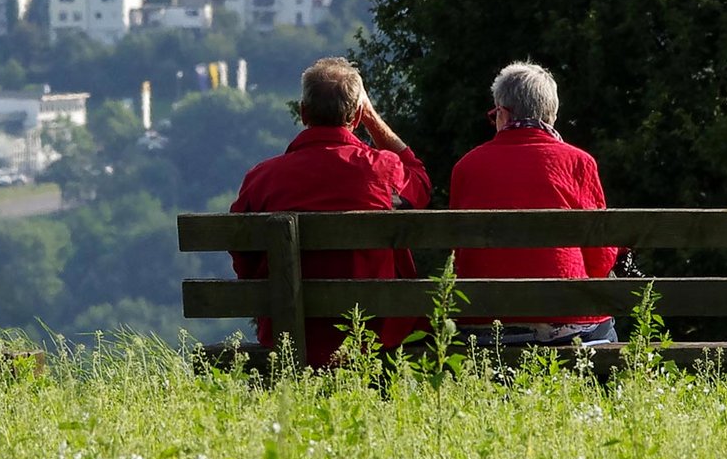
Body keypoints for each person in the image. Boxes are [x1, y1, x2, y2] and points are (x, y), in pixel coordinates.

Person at [231, 57, 431, 365]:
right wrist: (373, 120)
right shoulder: (383, 168)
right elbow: (420, 182)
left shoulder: (261, 178)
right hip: (375, 334)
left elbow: (243, 260)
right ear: (357, 115)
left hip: (290, 333)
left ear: (303, 113)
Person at [448, 61, 621, 346]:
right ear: (551, 115)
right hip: (567, 325)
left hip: (483, 326)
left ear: (502, 113)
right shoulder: (579, 163)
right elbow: (601, 261)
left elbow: (461, 254)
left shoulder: (466, 167)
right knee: (607, 329)